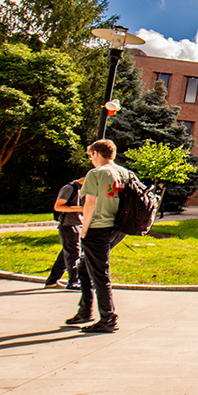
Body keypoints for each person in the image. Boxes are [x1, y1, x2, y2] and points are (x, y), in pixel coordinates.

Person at [66, 139, 129, 333]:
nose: (90, 159)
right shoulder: (125, 173)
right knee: (84, 269)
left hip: (99, 228)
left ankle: (108, 318)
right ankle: (85, 311)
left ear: (96, 154)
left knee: (100, 274)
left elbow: (89, 205)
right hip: (117, 229)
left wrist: (84, 231)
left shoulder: (95, 174)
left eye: (90, 155)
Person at [44, 178, 84, 289]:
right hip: (68, 225)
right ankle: (74, 282)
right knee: (74, 254)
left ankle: (52, 281)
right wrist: (81, 208)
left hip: (79, 224)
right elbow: (58, 206)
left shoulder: (85, 189)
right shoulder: (70, 188)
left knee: (65, 255)